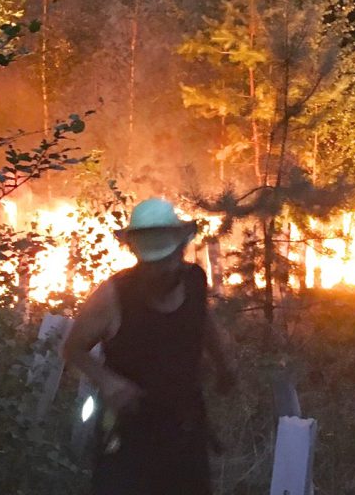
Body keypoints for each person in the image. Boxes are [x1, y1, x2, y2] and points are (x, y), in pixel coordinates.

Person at [63, 197, 235, 495]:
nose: (161, 270)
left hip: (185, 429)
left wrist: (224, 365)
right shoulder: (114, 296)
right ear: (137, 254)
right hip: (129, 437)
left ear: (181, 248)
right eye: (152, 263)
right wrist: (108, 381)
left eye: (167, 260)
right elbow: (73, 348)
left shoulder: (194, 281)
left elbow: (202, 322)